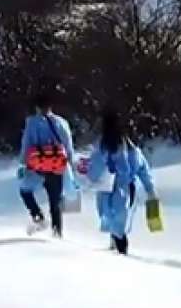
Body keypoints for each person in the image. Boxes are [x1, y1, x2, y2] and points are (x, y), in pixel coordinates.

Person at [83, 110, 156, 255]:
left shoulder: (104, 146)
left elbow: (94, 168)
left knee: (113, 220)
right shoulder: (130, 147)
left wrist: (90, 179)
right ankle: (118, 248)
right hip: (125, 188)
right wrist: (150, 189)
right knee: (118, 221)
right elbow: (142, 168)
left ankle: (118, 249)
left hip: (110, 188)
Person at [17, 88, 76, 237]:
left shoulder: (32, 123)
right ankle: (57, 233)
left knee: (25, 191)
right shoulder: (61, 122)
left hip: (37, 167)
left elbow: (27, 144)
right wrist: (69, 161)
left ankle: (38, 216)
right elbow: (68, 145)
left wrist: (23, 163)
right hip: (57, 167)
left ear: (37, 107)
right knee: (55, 201)